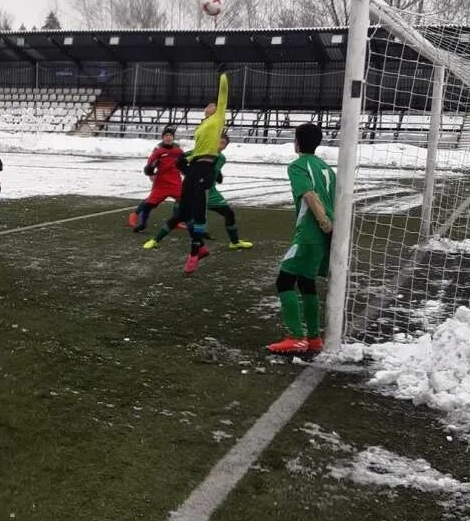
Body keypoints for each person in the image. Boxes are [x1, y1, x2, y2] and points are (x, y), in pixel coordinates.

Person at [267, 123, 336, 355]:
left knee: (284, 281)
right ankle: (314, 338)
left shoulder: (297, 166)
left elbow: (309, 195)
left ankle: (296, 336)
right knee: (306, 282)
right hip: (324, 235)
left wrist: (323, 223)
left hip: (310, 233)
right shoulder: (326, 168)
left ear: (297, 142)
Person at [144, 132, 253, 251]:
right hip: (198, 190)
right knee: (181, 216)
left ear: (225, 147)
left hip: (209, 191)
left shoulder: (218, 157)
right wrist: (189, 172)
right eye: (218, 141)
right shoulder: (203, 152)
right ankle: (156, 240)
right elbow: (181, 160)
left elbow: (211, 170)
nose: (220, 145)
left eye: (223, 143)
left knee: (228, 214)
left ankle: (234, 242)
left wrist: (218, 175)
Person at [176, 72, 229, 275]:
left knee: (198, 212)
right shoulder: (202, 125)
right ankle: (200, 247)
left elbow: (223, 93)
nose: (211, 106)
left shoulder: (218, 119)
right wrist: (186, 160)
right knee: (183, 212)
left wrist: (222, 76)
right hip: (195, 164)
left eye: (213, 105)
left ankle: (193, 253)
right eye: (208, 105)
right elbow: (198, 149)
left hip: (206, 166)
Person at [128, 126, 182, 232]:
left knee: (184, 202)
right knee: (149, 203)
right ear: (162, 137)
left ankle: (177, 221)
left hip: (175, 182)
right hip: (161, 183)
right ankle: (137, 216)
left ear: (173, 137)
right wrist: (150, 173)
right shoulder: (158, 150)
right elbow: (149, 165)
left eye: (170, 135)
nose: (168, 137)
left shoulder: (178, 150)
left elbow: (184, 163)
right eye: (166, 135)